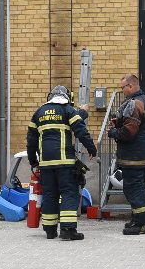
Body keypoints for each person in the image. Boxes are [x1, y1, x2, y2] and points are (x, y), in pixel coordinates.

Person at [27, 85, 97, 240]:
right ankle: (67, 229)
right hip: (65, 163)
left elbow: (31, 141)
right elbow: (81, 131)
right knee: (69, 193)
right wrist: (92, 149)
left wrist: (33, 161)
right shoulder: (68, 110)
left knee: (50, 195)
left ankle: (50, 230)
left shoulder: (38, 113)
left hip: (45, 164)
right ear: (67, 97)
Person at [108, 74, 145, 235]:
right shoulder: (144, 100)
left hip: (134, 155)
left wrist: (114, 132)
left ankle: (141, 224)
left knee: (133, 189)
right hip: (140, 152)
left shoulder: (135, 103)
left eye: (123, 88)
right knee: (136, 188)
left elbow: (129, 132)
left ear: (131, 86)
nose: (123, 91)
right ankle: (137, 219)